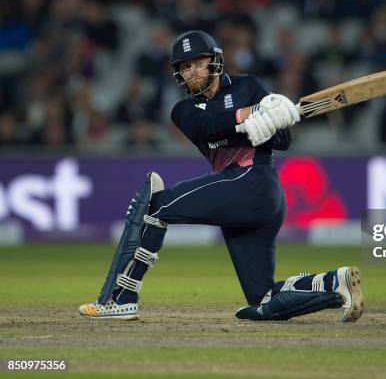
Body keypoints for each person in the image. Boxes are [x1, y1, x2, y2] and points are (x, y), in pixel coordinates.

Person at [78, 30, 364, 322]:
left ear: (214, 61)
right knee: (262, 299)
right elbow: (208, 125)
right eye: (185, 67)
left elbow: (283, 140)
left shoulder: (249, 84)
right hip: (242, 198)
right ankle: (335, 286)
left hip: (255, 183)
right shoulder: (183, 110)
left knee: (155, 205)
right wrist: (251, 115)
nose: (192, 71)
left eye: (198, 63)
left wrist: (271, 126)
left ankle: (122, 298)